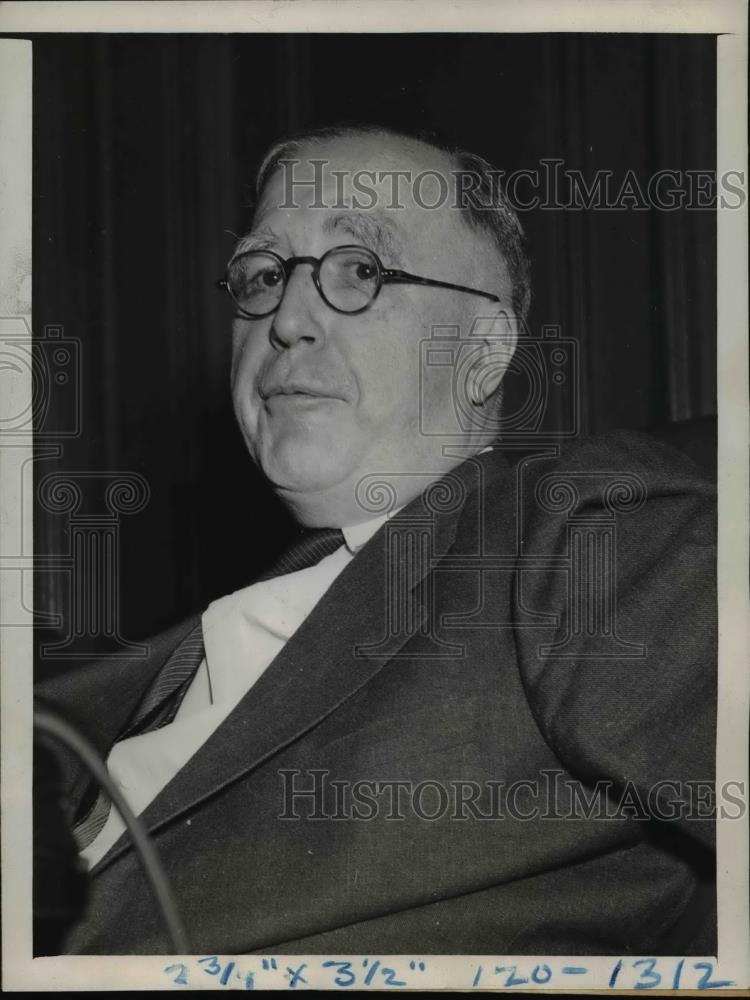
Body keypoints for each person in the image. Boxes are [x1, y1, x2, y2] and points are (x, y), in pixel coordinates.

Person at [34, 124, 717, 956]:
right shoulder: (163, 657)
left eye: (359, 268)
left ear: (482, 349)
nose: (285, 318)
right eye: (261, 274)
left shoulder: (574, 535)